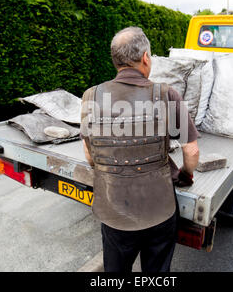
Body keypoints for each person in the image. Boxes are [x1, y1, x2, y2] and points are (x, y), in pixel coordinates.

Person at [80, 26, 199, 272]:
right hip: (160, 210)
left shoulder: (91, 96)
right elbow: (192, 151)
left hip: (113, 211)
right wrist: (185, 175)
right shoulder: (166, 94)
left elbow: (89, 152)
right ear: (145, 57)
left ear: (116, 60)